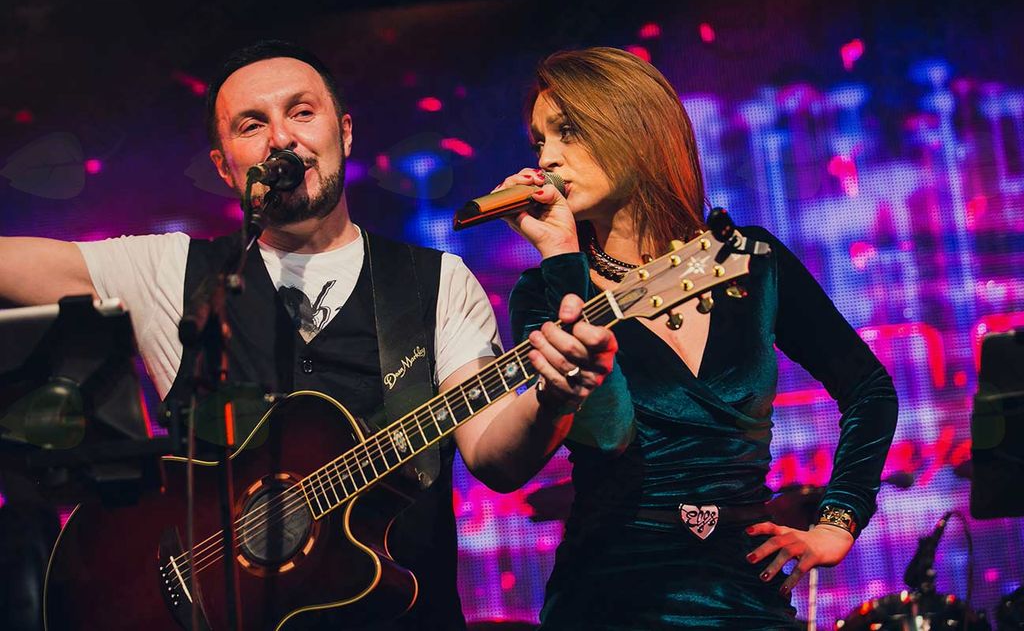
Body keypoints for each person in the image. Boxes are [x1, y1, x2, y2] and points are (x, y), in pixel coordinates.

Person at [0, 40, 617, 630]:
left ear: (343, 132)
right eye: (251, 125)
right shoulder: (171, 271)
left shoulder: (436, 280)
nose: (281, 138)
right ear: (224, 166)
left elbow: (493, 457)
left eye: (301, 112)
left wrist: (553, 399)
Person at [495, 47, 899, 629]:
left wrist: (839, 521)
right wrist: (561, 257)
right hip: (612, 599)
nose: (545, 160)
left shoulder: (750, 261)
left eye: (568, 132)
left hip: (747, 594)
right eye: (539, 142)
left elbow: (870, 390)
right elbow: (607, 431)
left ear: (634, 130)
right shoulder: (544, 291)